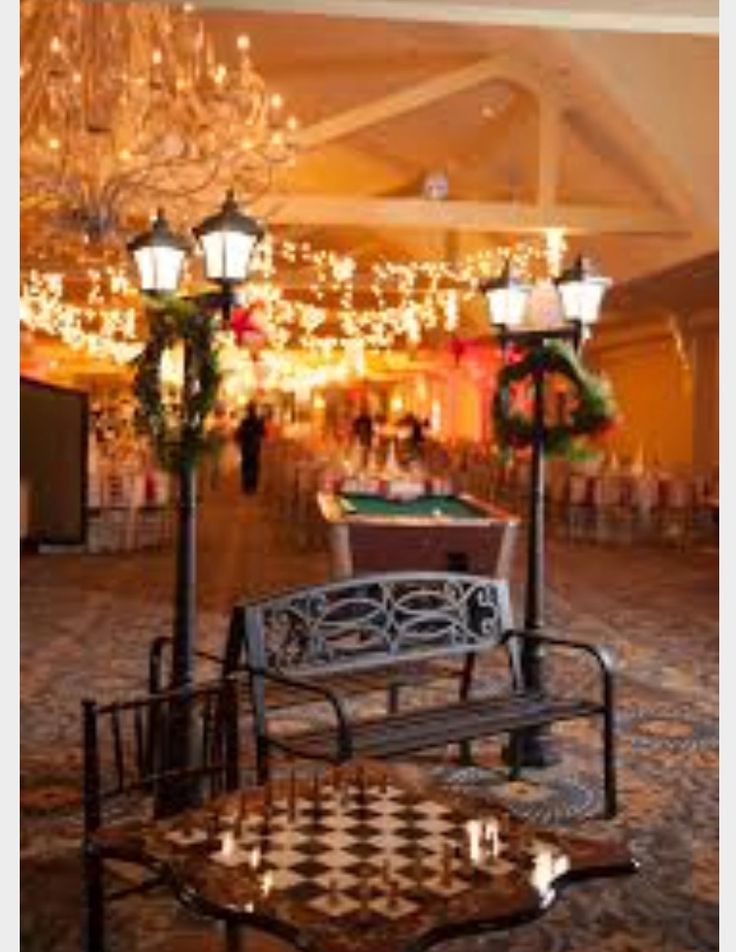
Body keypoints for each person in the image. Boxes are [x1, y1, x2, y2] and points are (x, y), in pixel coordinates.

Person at [235, 402, 266, 494]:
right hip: (255, 447)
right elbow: (263, 434)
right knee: (254, 466)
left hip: (246, 447)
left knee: (246, 466)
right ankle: (253, 486)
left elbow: (239, 434)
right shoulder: (259, 421)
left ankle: (246, 486)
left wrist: (241, 441)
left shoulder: (244, 421)